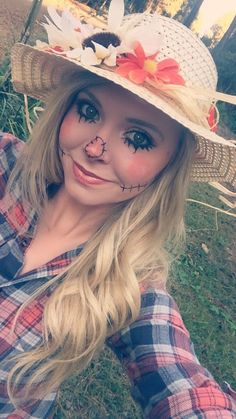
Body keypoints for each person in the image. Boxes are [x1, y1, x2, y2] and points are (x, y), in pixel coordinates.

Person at [0, 0, 236, 417]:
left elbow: (180, 384)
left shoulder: (129, 286)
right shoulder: (5, 166)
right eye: (89, 111)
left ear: (169, 164)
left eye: (139, 139)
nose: (94, 148)